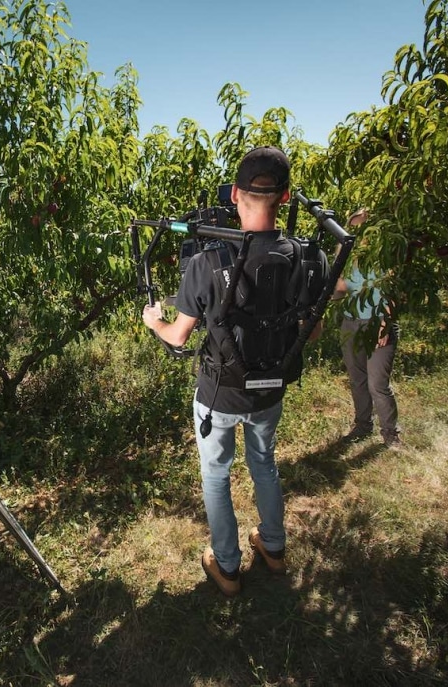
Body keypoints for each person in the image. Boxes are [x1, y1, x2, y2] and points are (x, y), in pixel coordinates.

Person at [142, 146, 317, 596]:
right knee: (264, 463)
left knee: (216, 475)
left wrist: (153, 320)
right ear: (287, 197)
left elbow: (178, 336)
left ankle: (227, 566)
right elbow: (307, 335)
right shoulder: (305, 258)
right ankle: (273, 549)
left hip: (219, 393)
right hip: (270, 393)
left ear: (235, 195)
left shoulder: (207, 262)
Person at [333, 209, 403, 449]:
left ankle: (391, 434)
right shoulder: (349, 258)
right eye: (352, 228)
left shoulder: (384, 257)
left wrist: (384, 325)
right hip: (351, 323)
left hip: (378, 323)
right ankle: (363, 425)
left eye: (362, 227)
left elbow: (394, 293)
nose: (357, 233)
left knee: (377, 384)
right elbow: (341, 288)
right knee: (357, 379)